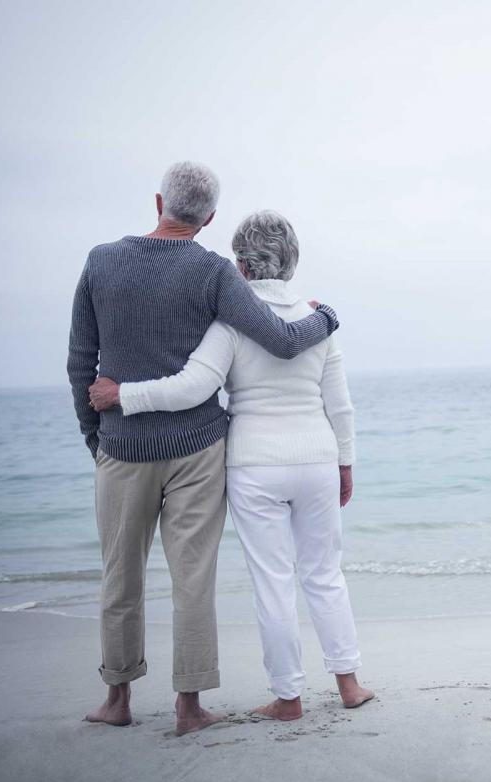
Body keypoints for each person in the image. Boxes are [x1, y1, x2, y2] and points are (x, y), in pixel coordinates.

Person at [68, 162, 340, 735]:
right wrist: (330, 318)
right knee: (193, 578)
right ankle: (189, 709)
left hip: (122, 447)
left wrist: (98, 438)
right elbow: (284, 340)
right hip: (198, 449)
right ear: (210, 217)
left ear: (159, 200)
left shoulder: (99, 261)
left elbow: (80, 363)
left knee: (120, 576)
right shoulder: (216, 272)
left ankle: (117, 700)